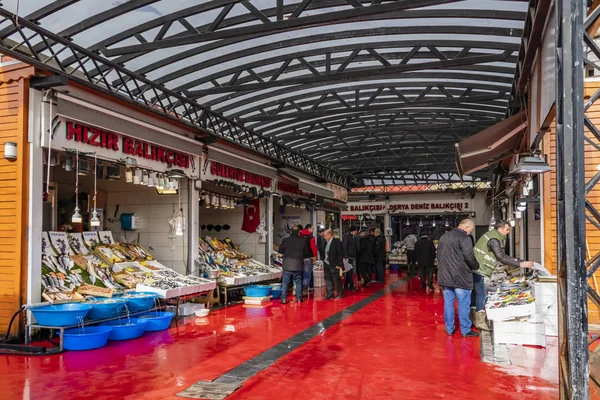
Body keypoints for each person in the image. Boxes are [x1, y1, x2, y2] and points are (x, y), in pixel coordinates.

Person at [472, 220, 534, 330]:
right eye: (507, 229)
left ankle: (473, 318)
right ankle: (480, 321)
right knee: (481, 294)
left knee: (477, 293)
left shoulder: (493, 236)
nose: (508, 232)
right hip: (480, 269)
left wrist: (518, 261)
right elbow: (501, 257)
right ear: (500, 229)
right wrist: (520, 264)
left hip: (478, 268)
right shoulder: (494, 239)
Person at [437, 218, 480, 337]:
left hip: (446, 276)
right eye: (471, 230)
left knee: (448, 303)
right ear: (466, 227)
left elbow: (439, 255)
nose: (470, 233)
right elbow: (469, 256)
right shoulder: (465, 238)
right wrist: (476, 266)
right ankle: (465, 330)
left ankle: (449, 329)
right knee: (463, 303)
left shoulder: (444, 237)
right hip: (461, 276)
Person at [278, 226, 306, 304]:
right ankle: (299, 298)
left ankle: (283, 299)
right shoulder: (303, 241)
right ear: (299, 232)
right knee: (298, 282)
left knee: (285, 282)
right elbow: (306, 252)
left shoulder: (285, 240)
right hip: (298, 265)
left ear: (291, 232)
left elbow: (281, 250)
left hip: (287, 265)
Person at [322, 229, 344, 299]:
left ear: (329, 235)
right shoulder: (325, 242)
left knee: (336, 279)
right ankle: (330, 294)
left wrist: (339, 264)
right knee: (327, 279)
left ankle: (340, 293)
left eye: (325, 236)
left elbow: (340, 254)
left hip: (334, 264)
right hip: (326, 263)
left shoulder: (337, 242)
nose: (324, 237)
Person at [299, 224, 318, 296]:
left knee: (300, 274)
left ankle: (298, 289)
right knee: (307, 274)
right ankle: (305, 290)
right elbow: (313, 248)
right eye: (312, 229)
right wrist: (315, 256)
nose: (313, 230)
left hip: (299, 258)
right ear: (309, 229)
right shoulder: (311, 237)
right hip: (308, 258)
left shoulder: (299, 236)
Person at [343, 226, 358, 291]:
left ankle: (346, 285)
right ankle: (351, 285)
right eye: (355, 231)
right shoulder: (347, 236)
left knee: (349, 271)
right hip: (348, 257)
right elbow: (344, 246)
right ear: (353, 230)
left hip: (351, 256)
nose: (356, 232)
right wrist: (346, 256)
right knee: (349, 271)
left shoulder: (353, 237)